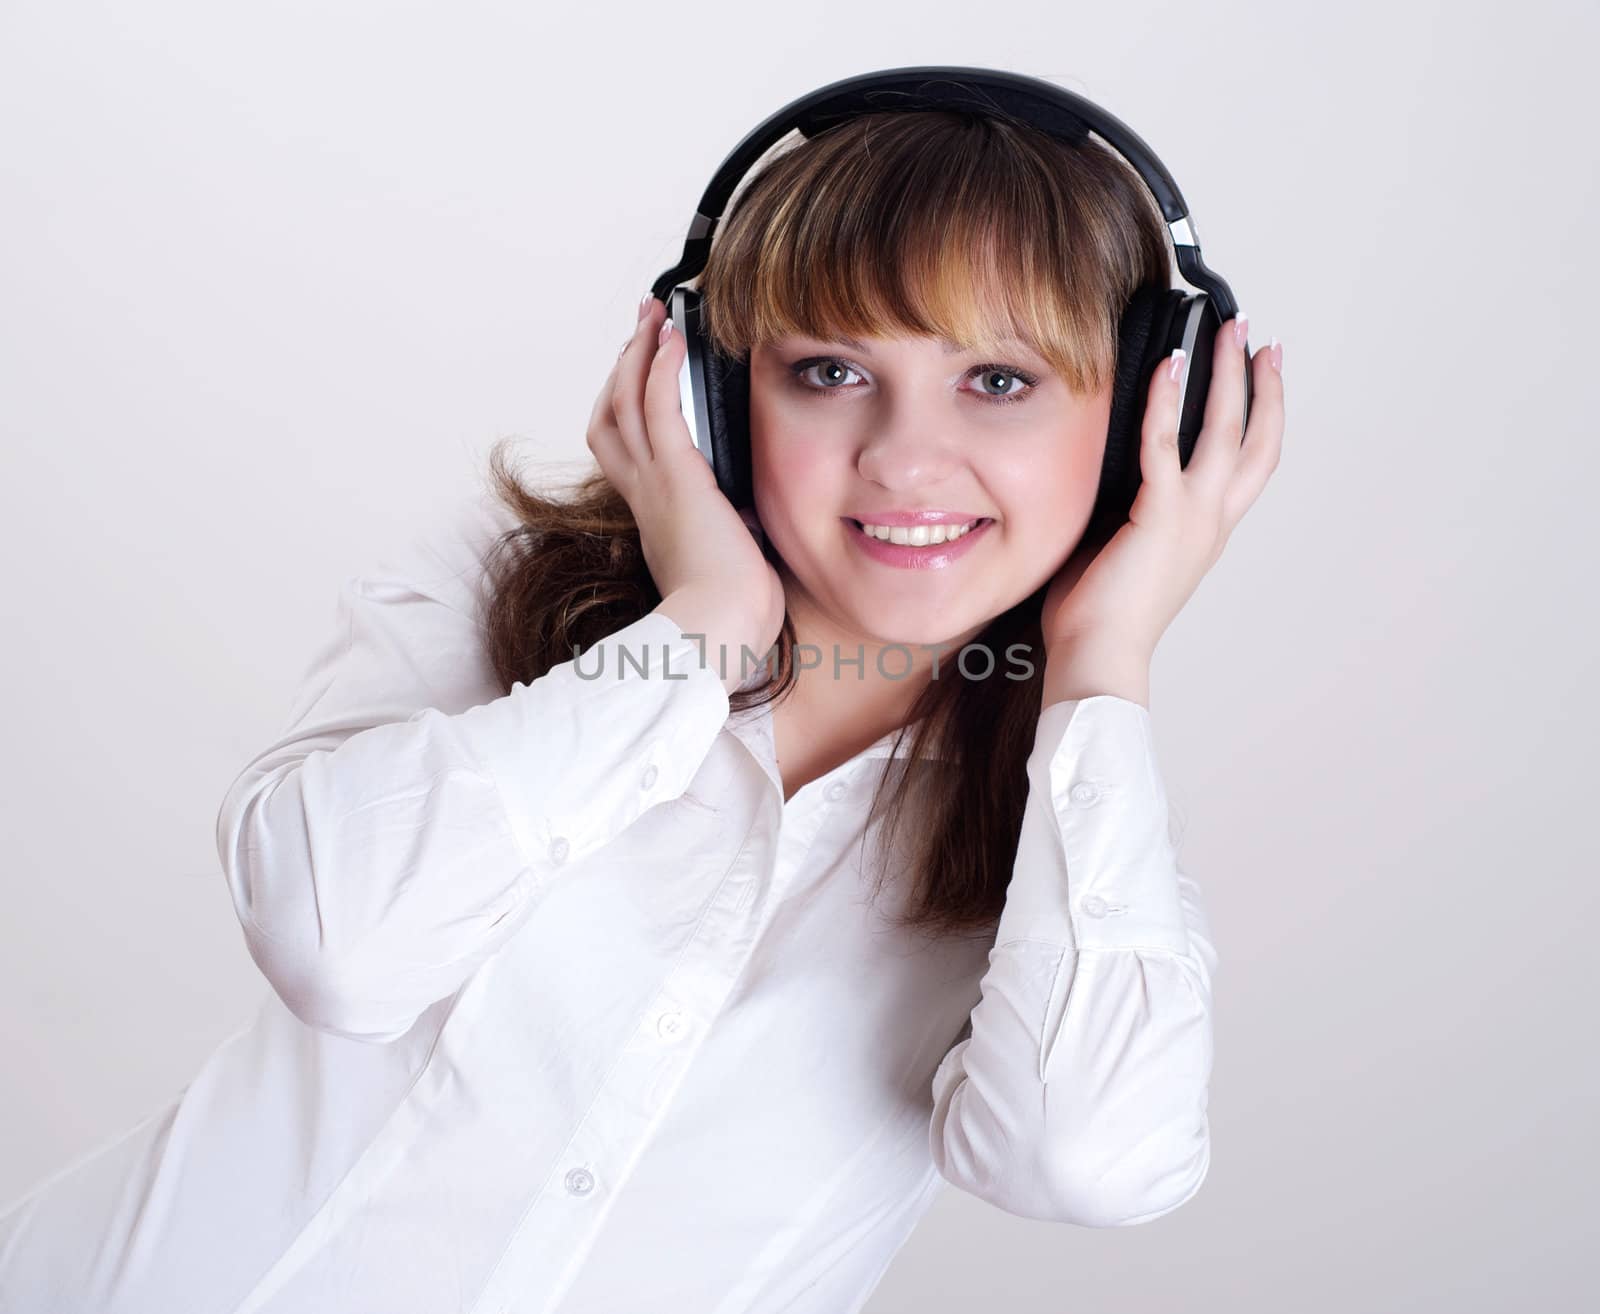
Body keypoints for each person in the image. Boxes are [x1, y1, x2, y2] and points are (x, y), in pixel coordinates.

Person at [0, 104, 1284, 1313]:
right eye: (829, 370)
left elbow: (1083, 1163)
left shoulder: (1079, 838)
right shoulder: (495, 597)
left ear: (1140, 421)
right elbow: (341, 944)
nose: (902, 459)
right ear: (713, 395)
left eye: (998, 379)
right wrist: (699, 635)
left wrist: (1103, 662)